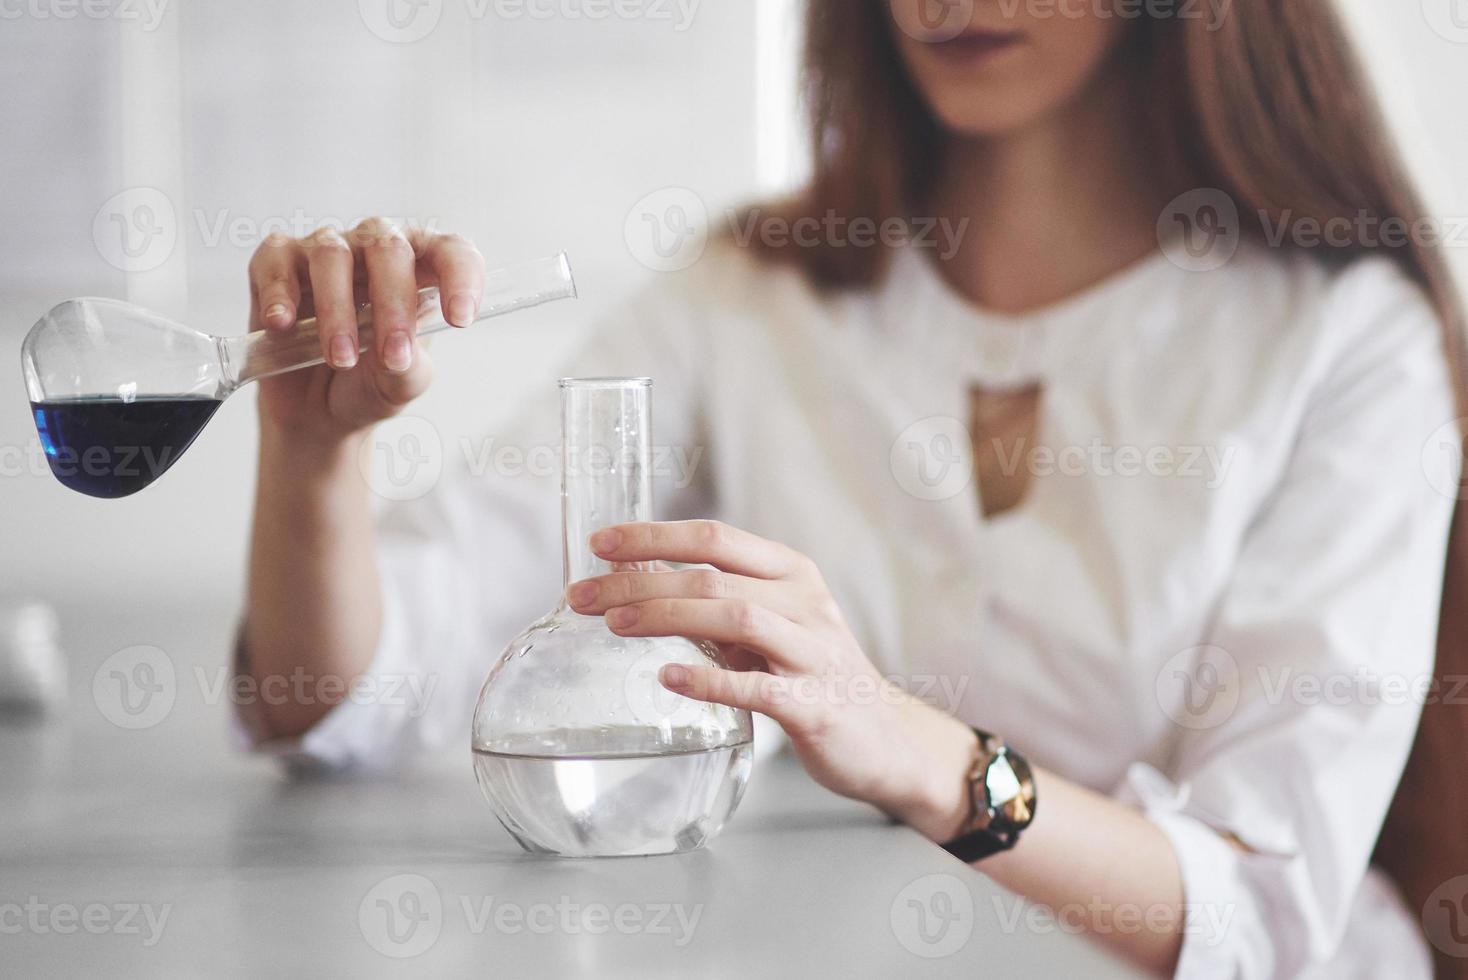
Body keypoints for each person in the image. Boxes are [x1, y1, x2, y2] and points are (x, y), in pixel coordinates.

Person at [235, 2, 1468, 976]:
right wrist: (312, 456)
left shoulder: (1343, 337)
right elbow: (349, 698)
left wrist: (915, 750)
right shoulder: (752, 292)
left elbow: (1258, 912)